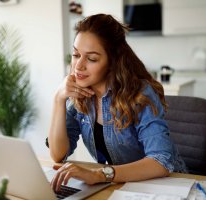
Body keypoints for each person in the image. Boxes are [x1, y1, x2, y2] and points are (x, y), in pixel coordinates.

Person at [47, 14, 187, 191]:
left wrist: (99, 175)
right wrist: (58, 99)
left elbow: (161, 161)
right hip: (119, 187)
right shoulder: (78, 95)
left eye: (91, 59)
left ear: (113, 61)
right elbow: (58, 155)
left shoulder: (140, 94)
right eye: (76, 54)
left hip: (162, 187)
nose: (78, 66)